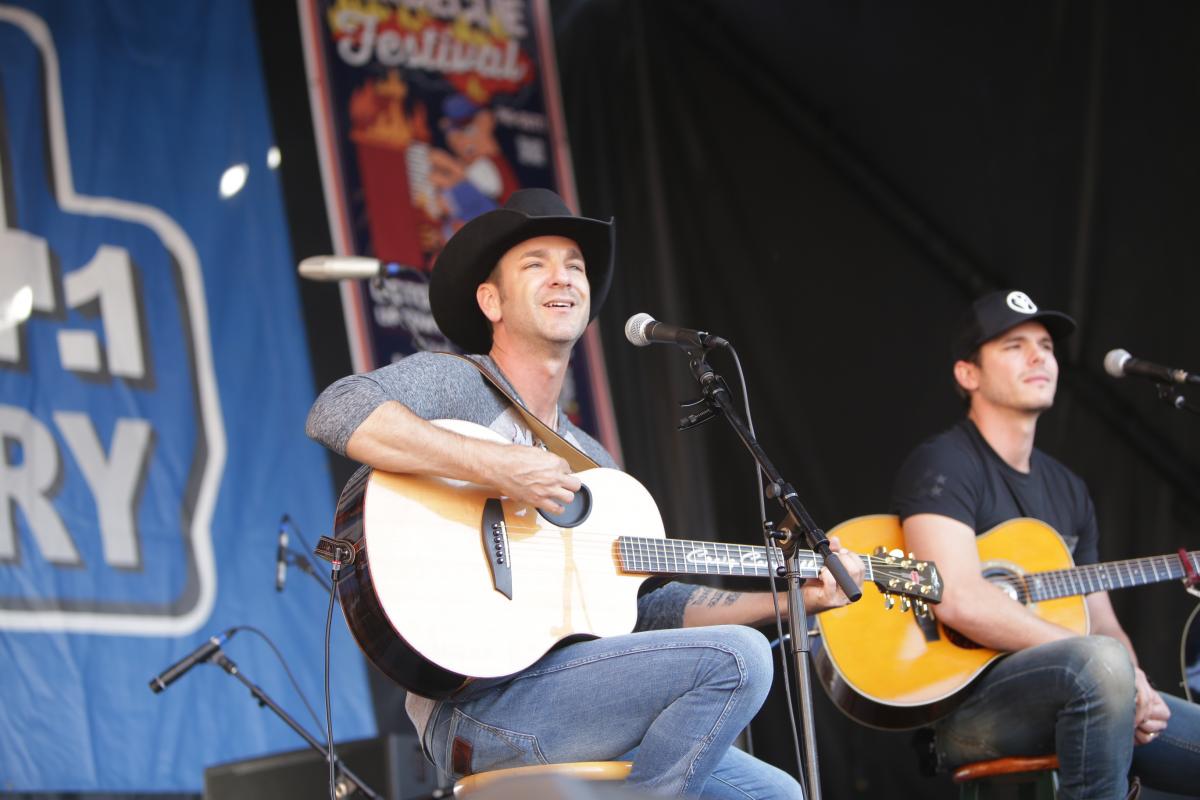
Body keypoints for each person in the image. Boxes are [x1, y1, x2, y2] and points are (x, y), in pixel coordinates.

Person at [307, 188, 864, 798]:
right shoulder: (455, 384)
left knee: (775, 794)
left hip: (580, 695)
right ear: (491, 300)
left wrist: (789, 600)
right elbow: (336, 410)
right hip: (475, 705)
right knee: (740, 659)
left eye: (574, 266)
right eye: (536, 263)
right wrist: (497, 464)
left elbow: (648, 609)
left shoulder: (594, 464)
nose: (563, 277)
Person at [891, 289, 1200, 799]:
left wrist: (1135, 679)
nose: (1039, 357)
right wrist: (1107, 664)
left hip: (1090, 686)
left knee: (1109, 666)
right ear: (968, 374)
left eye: (1047, 347)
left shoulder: (1069, 489)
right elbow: (957, 597)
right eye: (1014, 346)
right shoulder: (945, 463)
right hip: (965, 707)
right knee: (1101, 665)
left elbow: (1102, 622)